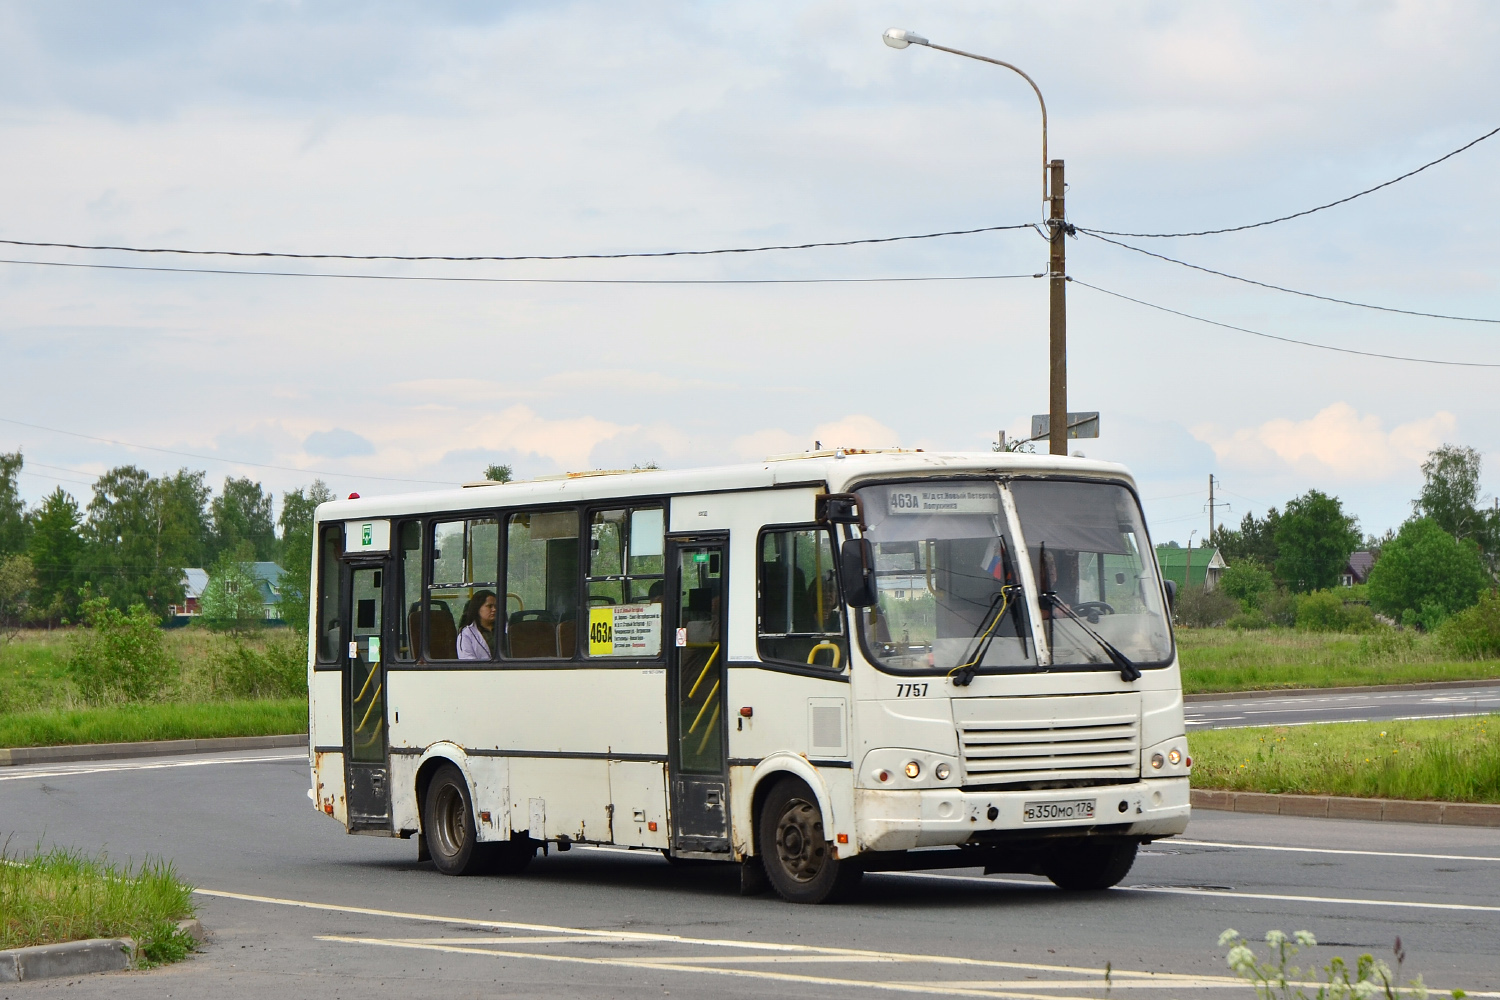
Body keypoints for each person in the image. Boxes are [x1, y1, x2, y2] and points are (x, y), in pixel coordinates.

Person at [457, 590, 497, 660]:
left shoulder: (505, 629)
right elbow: (467, 662)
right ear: (478, 608)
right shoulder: (466, 634)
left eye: (496, 606)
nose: (494, 609)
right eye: (489, 606)